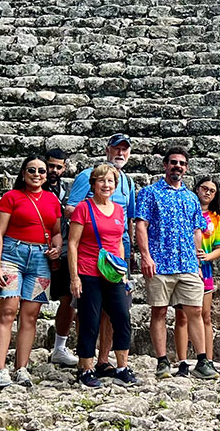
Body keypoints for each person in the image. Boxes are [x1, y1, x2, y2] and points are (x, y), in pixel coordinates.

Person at [136, 146, 219, 380]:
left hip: (187, 264)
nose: (178, 167)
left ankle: (202, 360)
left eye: (182, 163)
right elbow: (141, 226)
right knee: (159, 311)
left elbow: (197, 230)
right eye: (173, 162)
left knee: (195, 310)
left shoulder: (191, 197)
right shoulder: (150, 193)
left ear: (187, 168)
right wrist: (145, 256)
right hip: (159, 262)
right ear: (165, 165)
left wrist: (197, 258)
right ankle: (162, 361)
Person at [66, 134, 139, 385]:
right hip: (88, 270)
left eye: (110, 181)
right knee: (90, 320)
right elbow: (73, 243)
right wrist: (74, 277)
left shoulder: (118, 209)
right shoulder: (83, 208)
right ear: (93, 184)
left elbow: (119, 239)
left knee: (121, 317)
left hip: (113, 272)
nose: (106, 185)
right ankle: (86, 368)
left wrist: (124, 272)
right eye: (102, 181)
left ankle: (122, 366)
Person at [0, 155, 62, 389]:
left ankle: (21, 367)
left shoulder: (52, 200)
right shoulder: (11, 197)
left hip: (40, 260)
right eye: (32, 170)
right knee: (7, 311)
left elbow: (57, 231)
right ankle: (0, 369)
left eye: (41, 170)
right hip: (12, 255)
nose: (37, 174)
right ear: (23, 173)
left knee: (30, 316)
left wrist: (57, 247)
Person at [173, 176, 220, 376]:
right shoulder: (184, 210)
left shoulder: (215, 218)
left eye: (212, 191)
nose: (207, 193)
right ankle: (182, 361)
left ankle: (207, 360)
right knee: (182, 315)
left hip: (205, 270)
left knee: (204, 315)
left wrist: (207, 256)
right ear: (197, 189)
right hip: (184, 266)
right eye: (204, 188)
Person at [45, 148, 79, 367]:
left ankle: (59, 347)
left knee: (69, 299)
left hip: (65, 250)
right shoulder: (35, 187)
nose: (54, 171)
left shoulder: (69, 190)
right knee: (31, 301)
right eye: (51, 166)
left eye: (59, 167)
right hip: (38, 248)